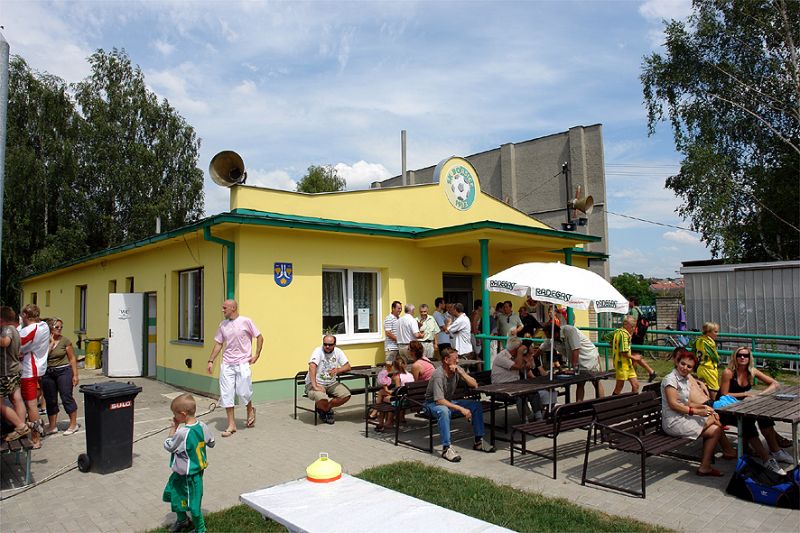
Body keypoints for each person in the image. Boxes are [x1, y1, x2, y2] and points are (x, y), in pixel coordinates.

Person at [661, 349, 735, 477]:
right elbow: (674, 404)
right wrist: (697, 412)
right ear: (677, 362)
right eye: (683, 364)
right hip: (673, 423)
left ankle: (705, 467)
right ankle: (728, 450)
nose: (685, 368)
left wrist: (704, 408)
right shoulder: (670, 380)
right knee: (714, 419)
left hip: (683, 418)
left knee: (716, 429)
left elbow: (688, 402)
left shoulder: (684, 379)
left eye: (689, 366)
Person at [718, 347, 792, 472]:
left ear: (749, 358)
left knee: (763, 416)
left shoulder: (752, 371)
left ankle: (776, 451)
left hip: (741, 407)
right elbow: (724, 394)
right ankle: (767, 459)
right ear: (735, 357)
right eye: (739, 355)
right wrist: (745, 394)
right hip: (725, 409)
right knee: (747, 422)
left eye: (746, 355)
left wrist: (760, 395)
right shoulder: (728, 372)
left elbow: (775, 384)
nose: (742, 357)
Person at [424, 349, 495, 462]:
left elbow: (474, 385)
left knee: (476, 405)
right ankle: (446, 449)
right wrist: (462, 409)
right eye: (455, 358)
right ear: (446, 360)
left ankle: (478, 442)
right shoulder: (438, 375)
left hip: (447, 402)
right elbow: (439, 400)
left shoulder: (457, 370)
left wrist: (462, 373)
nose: (458, 361)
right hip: (431, 404)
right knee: (444, 411)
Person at [206, 299, 262, 437]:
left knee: (243, 392)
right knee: (227, 394)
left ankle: (250, 409)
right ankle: (231, 425)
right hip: (227, 364)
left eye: (224, 308)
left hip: (243, 363)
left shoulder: (246, 321)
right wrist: (211, 360)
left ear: (233, 308)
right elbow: (219, 343)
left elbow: (260, 337)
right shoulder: (223, 325)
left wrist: (256, 355)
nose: (222, 310)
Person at [162, 393, 215, 533]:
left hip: (191, 476)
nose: (174, 417)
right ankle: (183, 520)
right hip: (181, 474)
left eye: (175, 414)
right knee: (175, 496)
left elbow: (169, 446)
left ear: (183, 414)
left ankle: (201, 530)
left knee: (194, 506)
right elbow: (212, 443)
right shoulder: (202, 426)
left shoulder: (182, 432)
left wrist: (173, 428)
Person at [540, 323, 604, 402]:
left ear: (554, 333)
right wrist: (533, 356)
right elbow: (543, 346)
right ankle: (578, 405)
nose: (547, 337)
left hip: (589, 356)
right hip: (578, 361)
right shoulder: (552, 338)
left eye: (547, 335)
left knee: (596, 381)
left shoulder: (569, 330)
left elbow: (575, 350)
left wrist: (574, 369)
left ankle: (602, 403)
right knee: (580, 383)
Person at [491, 336, 546, 422]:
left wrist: (527, 363)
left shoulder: (515, 356)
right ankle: (524, 420)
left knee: (533, 392)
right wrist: (520, 353)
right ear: (516, 349)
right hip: (501, 388)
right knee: (520, 396)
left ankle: (538, 417)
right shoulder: (502, 357)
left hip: (515, 385)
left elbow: (523, 369)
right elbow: (517, 366)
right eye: (520, 348)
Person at [19, 304, 50, 448]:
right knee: (29, 404)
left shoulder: (30, 329)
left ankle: (36, 439)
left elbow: (15, 344)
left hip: (28, 370)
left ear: (25, 315)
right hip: (36, 369)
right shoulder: (44, 326)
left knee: (30, 405)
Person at [41, 318, 80, 436]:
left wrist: (75, 375)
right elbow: (41, 358)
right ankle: (52, 426)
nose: (59, 329)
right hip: (48, 373)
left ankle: (73, 424)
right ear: (50, 328)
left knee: (66, 397)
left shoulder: (65, 341)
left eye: (61, 327)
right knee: (50, 399)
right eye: (57, 327)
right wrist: (50, 345)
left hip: (63, 371)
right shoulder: (43, 341)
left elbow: (72, 358)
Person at [304, 335, 351, 424]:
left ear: (335, 344)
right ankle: (326, 411)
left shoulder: (338, 352)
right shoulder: (318, 351)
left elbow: (348, 366)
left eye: (330, 345)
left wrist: (338, 370)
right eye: (325, 344)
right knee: (322, 398)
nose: (327, 346)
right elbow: (312, 366)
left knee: (346, 395)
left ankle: (326, 409)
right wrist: (315, 385)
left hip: (331, 383)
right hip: (316, 383)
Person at [1, 307, 30, 442]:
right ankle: (21, 429)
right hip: (15, 370)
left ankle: (20, 426)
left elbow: (5, 342)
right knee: (17, 399)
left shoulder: (7, 329)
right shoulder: (15, 330)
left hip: (6, 372)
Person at [627, 297, 657, 383]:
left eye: (629, 301)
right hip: (640, 336)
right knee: (635, 355)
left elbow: (633, 323)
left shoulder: (634, 310)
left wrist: (630, 335)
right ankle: (634, 374)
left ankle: (650, 372)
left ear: (632, 302)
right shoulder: (640, 310)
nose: (628, 303)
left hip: (635, 336)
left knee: (635, 355)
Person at [611, 316, 639, 395]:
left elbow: (606, 337)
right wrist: (635, 357)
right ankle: (612, 401)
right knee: (619, 386)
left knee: (635, 385)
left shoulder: (618, 331)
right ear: (626, 325)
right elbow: (624, 352)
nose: (633, 328)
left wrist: (614, 345)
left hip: (627, 363)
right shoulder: (624, 335)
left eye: (634, 326)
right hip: (621, 364)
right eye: (632, 326)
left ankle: (634, 401)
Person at [694, 322, 721, 400]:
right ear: (708, 332)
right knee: (714, 390)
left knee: (704, 390)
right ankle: (713, 405)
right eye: (715, 332)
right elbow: (714, 357)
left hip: (701, 368)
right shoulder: (709, 342)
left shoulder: (699, 340)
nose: (717, 334)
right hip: (708, 369)